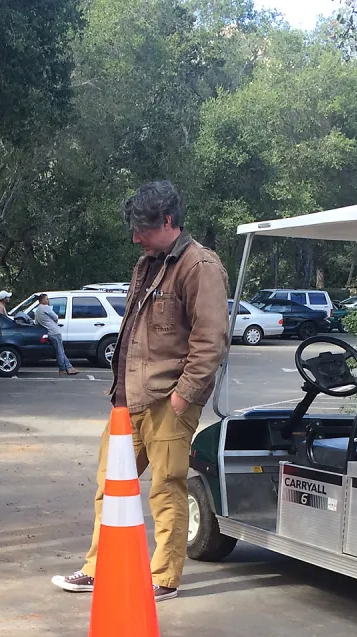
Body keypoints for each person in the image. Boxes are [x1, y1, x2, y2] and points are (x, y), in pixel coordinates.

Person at [51, 180, 228, 601]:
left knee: (166, 487)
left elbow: (211, 340)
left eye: (142, 229)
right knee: (111, 486)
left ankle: (164, 578)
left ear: (167, 221)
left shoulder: (199, 266)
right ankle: (100, 567)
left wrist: (183, 397)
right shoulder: (147, 262)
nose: (135, 237)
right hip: (127, 399)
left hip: (169, 400)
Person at [33, 293, 79, 375]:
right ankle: (63, 369)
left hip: (48, 332)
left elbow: (37, 323)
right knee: (60, 351)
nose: (48, 301)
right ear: (42, 300)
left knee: (59, 351)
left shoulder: (37, 310)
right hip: (54, 331)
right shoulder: (46, 308)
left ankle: (69, 367)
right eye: (47, 299)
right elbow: (56, 318)